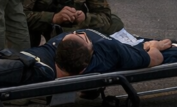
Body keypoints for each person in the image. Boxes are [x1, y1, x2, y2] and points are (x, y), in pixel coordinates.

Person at [24, 29, 174, 80]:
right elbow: (155, 58)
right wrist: (155, 46)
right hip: (130, 46)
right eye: (84, 38)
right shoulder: (110, 52)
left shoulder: (55, 47)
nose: (78, 32)